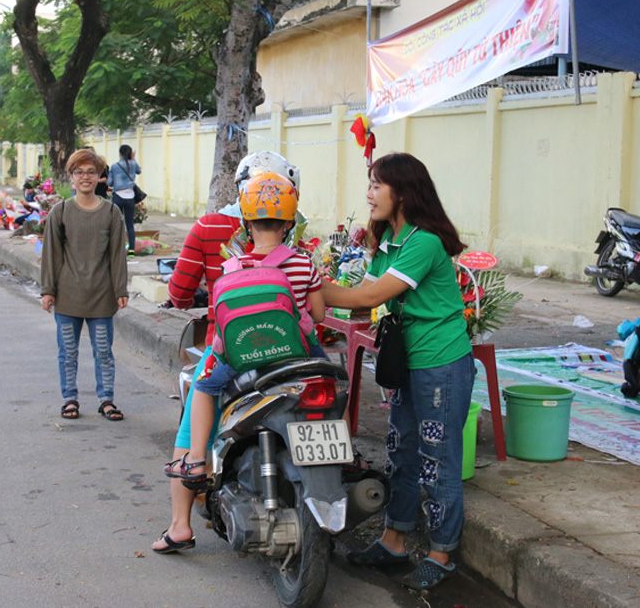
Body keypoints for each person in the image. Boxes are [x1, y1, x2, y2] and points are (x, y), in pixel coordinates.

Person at [321, 152, 473, 591]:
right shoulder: (389, 240)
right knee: (402, 452)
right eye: (369, 184)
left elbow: (371, 299)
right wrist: (306, 283)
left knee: (437, 460)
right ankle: (394, 540)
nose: (369, 194)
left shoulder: (423, 242)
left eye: (376, 185)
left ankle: (442, 554)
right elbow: (364, 289)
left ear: (402, 192)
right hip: (409, 362)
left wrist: (304, 285)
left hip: (442, 363)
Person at [151, 150, 300, 554]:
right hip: (292, 352)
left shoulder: (211, 228)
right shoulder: (295, 234)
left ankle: (181, 521)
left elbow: (180, 293)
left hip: (233, 348)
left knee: (194, 415)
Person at [166, 172, 326, 489]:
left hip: (242, 355)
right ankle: (345, 456)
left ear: (247, 224)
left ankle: (196, 460)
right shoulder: (304, 264)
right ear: (289, 224)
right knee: (335, 380)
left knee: (204, 386)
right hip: (296, 353)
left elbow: (225, 321)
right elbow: (317, 315)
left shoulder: (232, 267)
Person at [40, 148, 130, 422]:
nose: (85, 177)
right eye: (79, 172)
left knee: (103, 352)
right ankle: (70, 399)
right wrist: (48, 290)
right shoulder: (61, 211)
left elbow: (117, 254)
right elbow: (51, 254)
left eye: (91, 172)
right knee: (68, 352)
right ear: (71, 177)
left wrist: (120, 289)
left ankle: (106, 400)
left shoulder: (111, 212)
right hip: (67, 297)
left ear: (100, 176)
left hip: (101, 297)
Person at [109, 144, 141, 255]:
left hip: (117, 197)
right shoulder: (133, 164)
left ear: (120, 154)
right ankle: (131, 249)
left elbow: (109, 182)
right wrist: (133, 159)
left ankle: (118, 249)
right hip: (130, 197)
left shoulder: (115, 166)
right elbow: (139, 171)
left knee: (117, 223)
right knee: (130, 224)